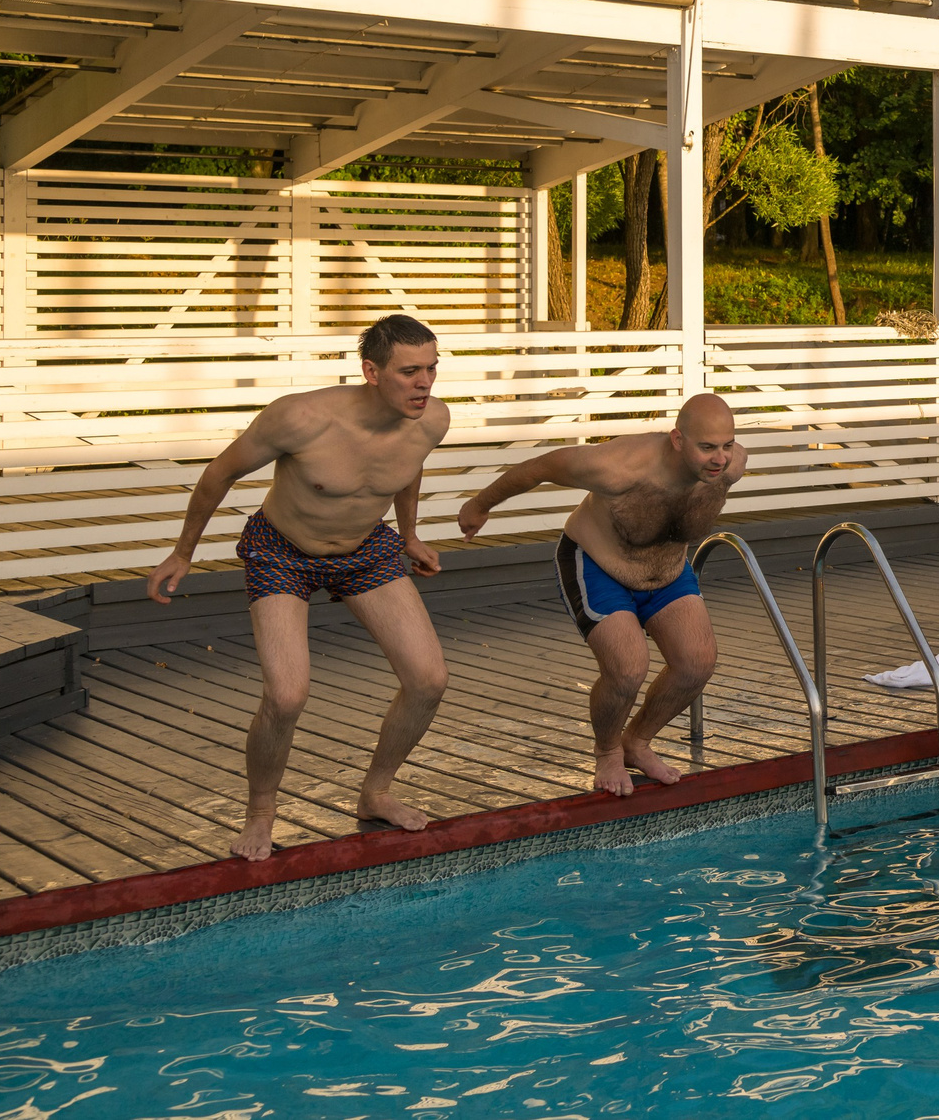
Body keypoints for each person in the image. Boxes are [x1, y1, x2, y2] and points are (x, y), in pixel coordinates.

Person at [147, 313, 453, 861]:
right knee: (286, 695)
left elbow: (407, 469)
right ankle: (261, 814)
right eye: (410, 372)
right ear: (371, 372)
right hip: (282, 550)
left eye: (432, 368)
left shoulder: (431, 421)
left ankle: (375, 791)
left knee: (429, 680)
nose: (425, 383)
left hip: (365, 548)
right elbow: (220, 473)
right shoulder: (302, 417)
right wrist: (183, 552)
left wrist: (408, 534)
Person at [455, 394, 746, 796]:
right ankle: (608, 751)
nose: (720, 459)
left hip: (667, 572)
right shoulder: (618, 467)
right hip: (597, 565)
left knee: (697, 663)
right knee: (628, 667)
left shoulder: (732, 468)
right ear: (678, 440)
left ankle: (636, 742)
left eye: (727, 445)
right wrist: (480, 504)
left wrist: (723, 455)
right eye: (708, 447)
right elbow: (541, 466)